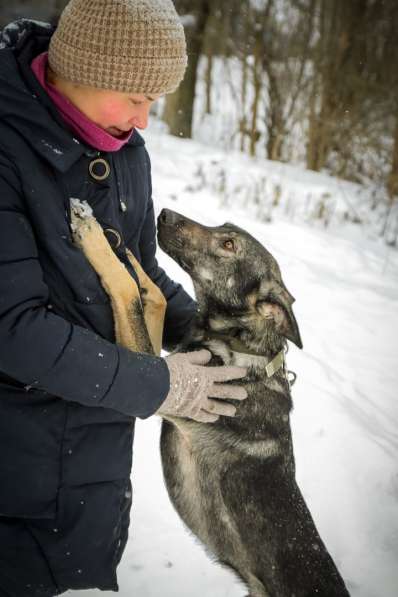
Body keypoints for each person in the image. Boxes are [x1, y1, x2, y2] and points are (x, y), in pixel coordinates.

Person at [0, 1, 248, 595]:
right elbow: (13, 328)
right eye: (134, 97)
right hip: (15, 473)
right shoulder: (8, 152)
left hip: (93, 471)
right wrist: (158, 385)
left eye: (153, 103)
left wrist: (207, 337)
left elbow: (141, 273)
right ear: (78, 68)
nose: (142, 120)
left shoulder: (123, 149)